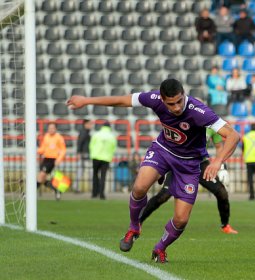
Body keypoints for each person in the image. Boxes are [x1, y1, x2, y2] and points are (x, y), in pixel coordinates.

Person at [66, 78, 240, 263]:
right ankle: (134, 227)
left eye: (180, 101)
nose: (176, 107)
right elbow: (122, 100)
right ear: (163, 100)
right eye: (171, 104)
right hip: (163, 151)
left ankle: (160, 248)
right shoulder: (154, 98)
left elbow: (233, 135)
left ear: (184, 95)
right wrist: (86, 100)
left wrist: (217, 162)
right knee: (139, 187)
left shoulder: (198, 111)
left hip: (189, 165)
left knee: (181, 220)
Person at [139, 127, 238, 234]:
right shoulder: (187, 119)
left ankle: (225, 225)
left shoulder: (212, 125)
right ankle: (138, 222)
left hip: (201, 164)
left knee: (222, 192)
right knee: (163, 196)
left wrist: (221, 166)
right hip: (179, 162)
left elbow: (219, 147)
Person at [37, 122, 66, 200]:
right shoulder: (46, 136)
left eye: (52, 128)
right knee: (41, 179)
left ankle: (29, 194)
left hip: (52, 159)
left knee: (41, 176)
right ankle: (56, 190)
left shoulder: (59, 138)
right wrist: (37, 151)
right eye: (49, 128)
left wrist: (59, 159)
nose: (51, 130)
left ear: (55, 129)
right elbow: (43, 148)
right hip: (45, 159)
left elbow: (63, 150)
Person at [89, 121, 117, 199]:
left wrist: (93, 154)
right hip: (106, 158)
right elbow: (113, 148)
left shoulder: (96, 134)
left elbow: (91, 145)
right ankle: (102, 194)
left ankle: (94, 193)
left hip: (96, 157)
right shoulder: (112, 136)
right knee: (103, 176)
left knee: (95, 175)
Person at [73, 119, 93, 193]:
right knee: (87, 171)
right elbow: (80, 143)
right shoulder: (84, 133)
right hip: (84, 154)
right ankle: (77, 187)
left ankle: (76, 187)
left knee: (81, 171)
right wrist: (78, 153)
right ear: (85, 124)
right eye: (89, 124)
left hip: (84, 154)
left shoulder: (86, 132)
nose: (91, 126)